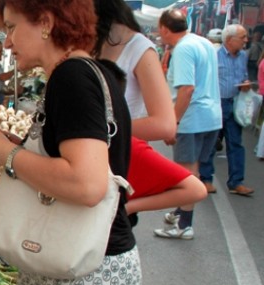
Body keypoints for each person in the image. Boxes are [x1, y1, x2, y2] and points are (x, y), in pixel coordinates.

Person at [0, 0, 141, 285]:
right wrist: (25, 149)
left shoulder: (72, 78)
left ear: (46, 22)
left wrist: (7, 154)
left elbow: (87, 183)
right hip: (86, 270)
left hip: (81, 281)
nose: (8, 43)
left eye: (12, 28)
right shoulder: (92, 75)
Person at [92, 0, 207, 223]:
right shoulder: (90, 42)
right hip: (90, 160)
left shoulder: (139, 47)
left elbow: (165, 124)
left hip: (117, 160)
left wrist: (96, 129)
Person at [153, 9, 222, 240]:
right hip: (211, 115)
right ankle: (181, 211)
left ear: (164, 28)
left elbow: (186, 89)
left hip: (192, 118)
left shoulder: (182, 49)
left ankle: (184, 224)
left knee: (186, 172)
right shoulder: (203, 42)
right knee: (194, 168)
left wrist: (174, 121)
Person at [199, 24, 255, 196]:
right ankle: (206, 179)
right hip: (217, 103)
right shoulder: (214, 56)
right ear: (230, 40)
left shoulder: (243, 56)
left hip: (235, 102)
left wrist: (245, 84)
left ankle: (236, 182)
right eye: (243, 37)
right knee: (210, 143)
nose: (246, 40)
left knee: (236, 143)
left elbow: (244, 75)